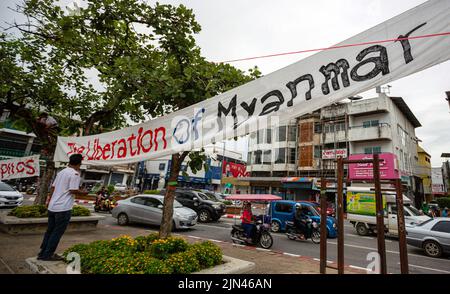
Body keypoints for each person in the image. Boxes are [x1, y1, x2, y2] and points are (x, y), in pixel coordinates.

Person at [37, 154, 87, 261]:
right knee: (57, 232)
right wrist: (84, 193)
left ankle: (42, 253)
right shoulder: (75, 174)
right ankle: (48, 255)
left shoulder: (61, 172)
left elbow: (53, 187)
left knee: (49, 231)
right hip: (63, 208)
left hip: (53, 207)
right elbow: (73, 190)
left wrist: (48, 201)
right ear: (79, 163)